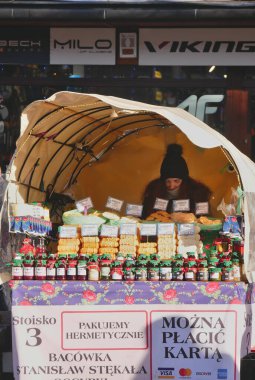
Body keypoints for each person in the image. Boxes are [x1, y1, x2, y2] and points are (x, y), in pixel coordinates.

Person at [142, 143, 211, 219]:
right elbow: (146, 216)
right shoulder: (153, 191)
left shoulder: (197, 193)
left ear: (184, 180)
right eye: (168, 181)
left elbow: (204, 219)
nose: (172, 186)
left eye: (176, 181)